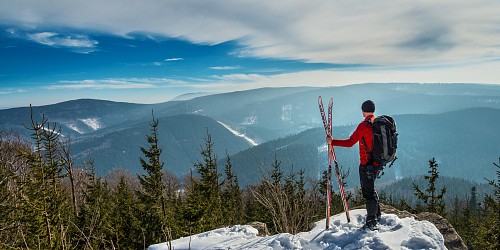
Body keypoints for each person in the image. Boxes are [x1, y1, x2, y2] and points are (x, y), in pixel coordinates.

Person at [326, 100, 381, 230]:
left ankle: (372, 222)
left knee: (368, 193)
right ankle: (377, 214)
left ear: (363, 110)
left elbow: (350, 142)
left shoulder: (364, 126)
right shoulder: (377, 123)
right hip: (377, 163)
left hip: (366, 164)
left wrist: (332, 142)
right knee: (371, 188)